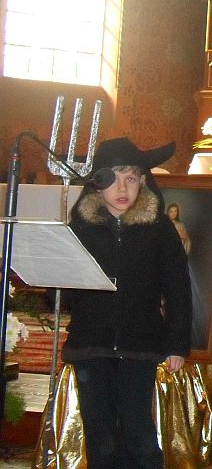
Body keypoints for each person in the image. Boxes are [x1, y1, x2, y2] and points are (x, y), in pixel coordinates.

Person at [64, 138, 191, 469]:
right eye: (113, 179)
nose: (122, 188)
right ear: (97, 183)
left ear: (143, 181)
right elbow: (65, 291)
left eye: (131, 178)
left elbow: (177, 287)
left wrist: (177, 343)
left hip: (139, 343)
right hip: (91, 344)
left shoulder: (159, 228)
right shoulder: (81, 227)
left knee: (138, 432)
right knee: (99, 434)